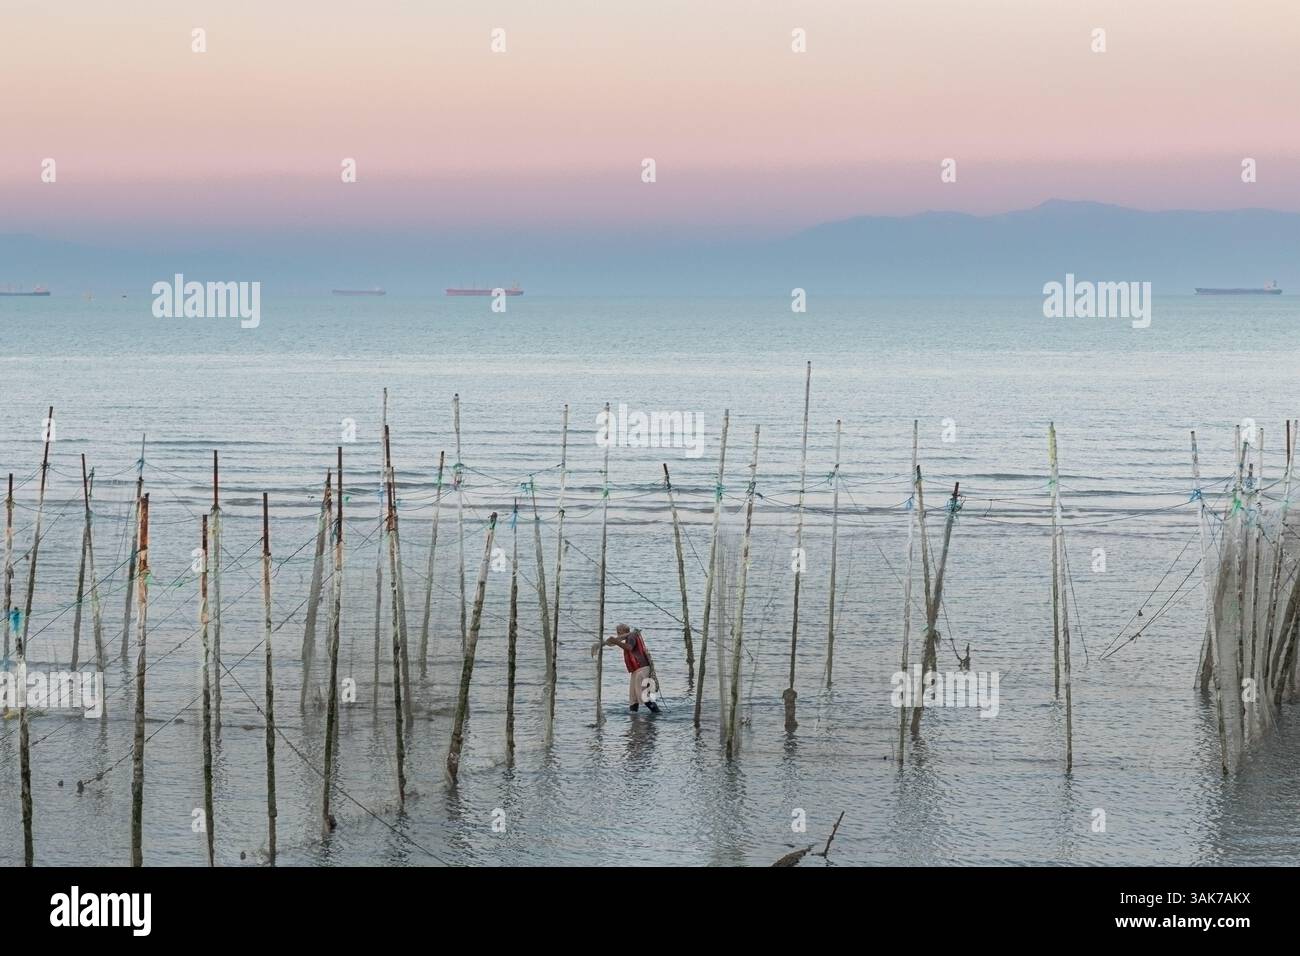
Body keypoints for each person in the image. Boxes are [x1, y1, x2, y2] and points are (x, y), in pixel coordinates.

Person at [605, 624, 660, 713]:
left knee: (643, 695)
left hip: (642, 669)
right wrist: (614, 641)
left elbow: (629, 647)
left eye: (619, 632)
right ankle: (633, 717)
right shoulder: (629, 636)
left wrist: (616, 641)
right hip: (636, 670)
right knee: (633, 698)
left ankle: (657, 713)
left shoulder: (632, 636)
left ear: (624, 631)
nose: (618, 634)